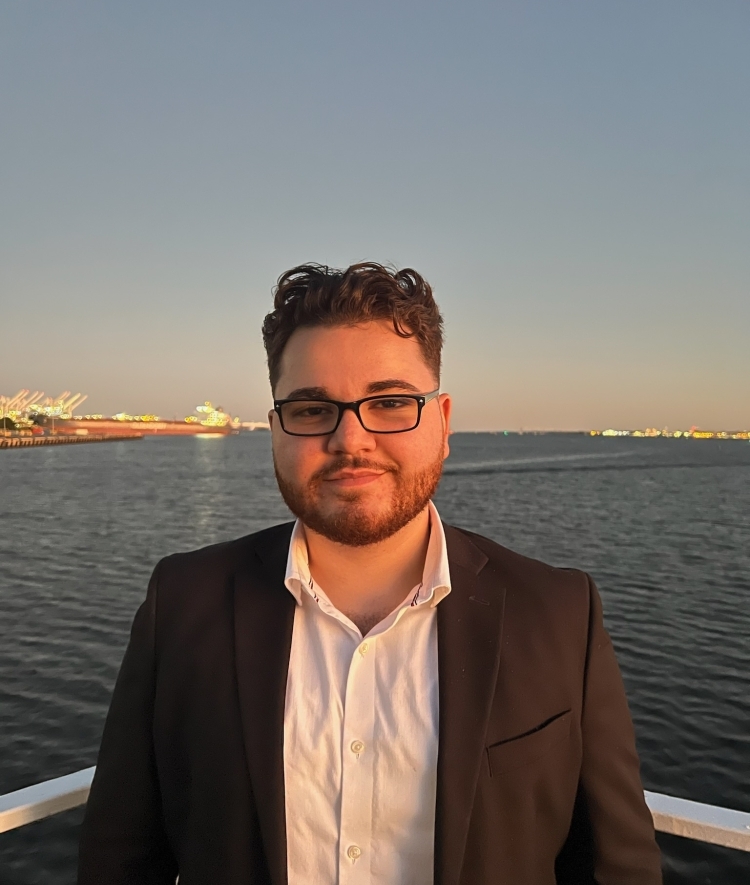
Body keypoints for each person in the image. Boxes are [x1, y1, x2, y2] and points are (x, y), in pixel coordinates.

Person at [78, 262, 662, 884]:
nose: (350, 440)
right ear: (275, 428)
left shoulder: (559, 613)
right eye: (311, 408)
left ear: (442, 422)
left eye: (389, 403)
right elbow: (120, 857)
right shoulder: (183, 603)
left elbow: (616, 866)